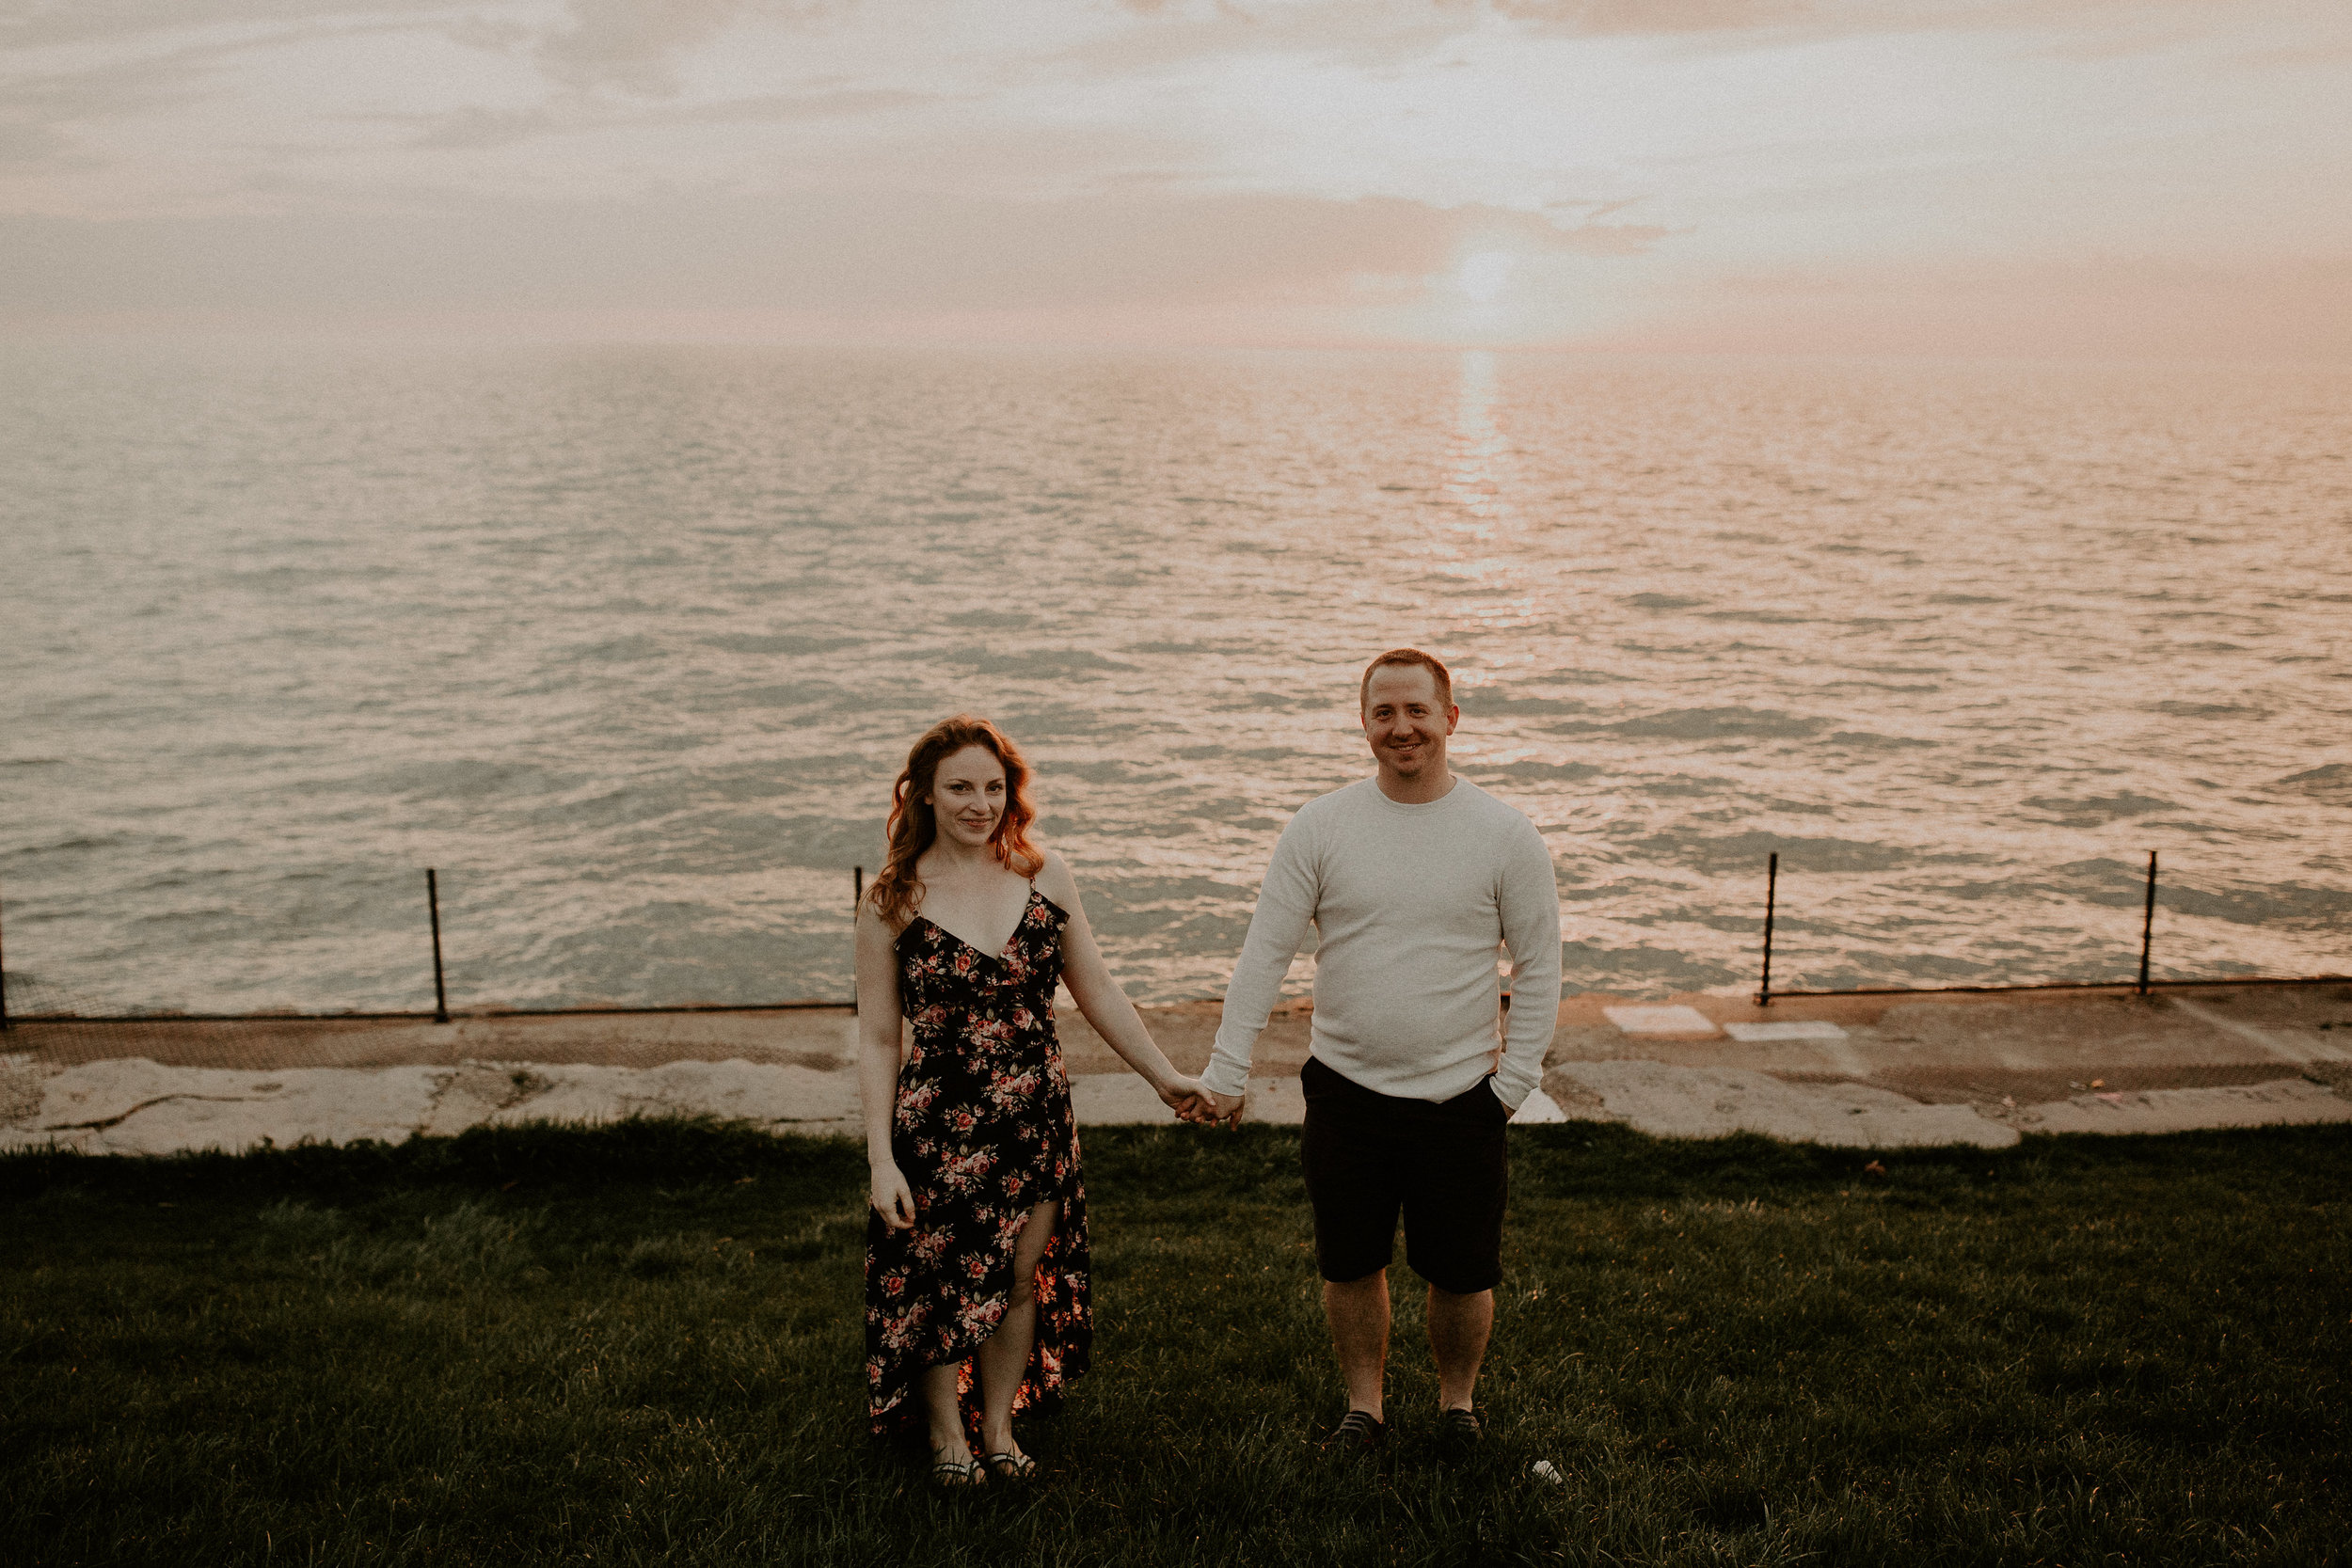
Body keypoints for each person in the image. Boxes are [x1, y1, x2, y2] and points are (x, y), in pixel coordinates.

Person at [1200, 648, 1561, 1457]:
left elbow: (1539, 966)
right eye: (1384, 713)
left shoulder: (1505, 834)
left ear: (1451, 718)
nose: (1402, 728)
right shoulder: (1320, 826)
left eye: (1418, 711)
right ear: (1363, 723)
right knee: (1350, 1262)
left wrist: (1514, 1083)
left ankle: (1456, 1405)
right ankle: (1365, 1406)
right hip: (1345, 1092)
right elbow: (1265, 954)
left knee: (1463, 1271)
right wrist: (1227, 1067)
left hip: (1465, 1095)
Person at [857, 714, 1212, 1487]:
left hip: (1036, 1118)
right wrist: (881, 1157)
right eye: (960, 787)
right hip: (938, 1125)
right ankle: (947, 1437)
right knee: (944, 1280)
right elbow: (880, 1037)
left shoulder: (1043, 874)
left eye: (994, 785)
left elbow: (1099, 989)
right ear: (922, 793)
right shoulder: (894, 896)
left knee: (1017, 1277)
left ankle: (998, 1425)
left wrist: (1164, 1074)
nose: (980, 802)